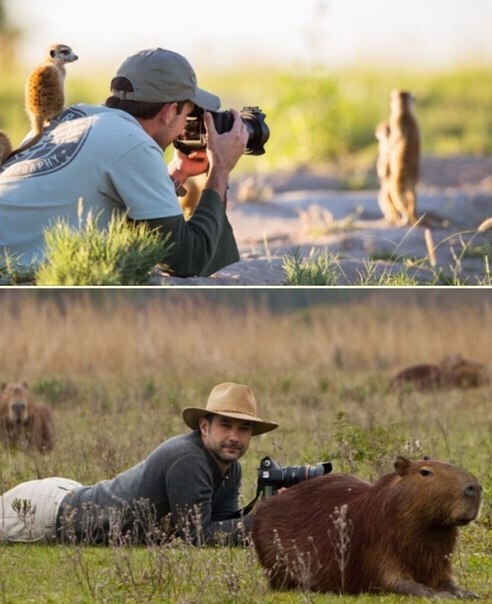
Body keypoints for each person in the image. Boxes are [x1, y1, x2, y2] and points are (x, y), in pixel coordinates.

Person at [0, 48, 248, 277]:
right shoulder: (135, 143)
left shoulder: (73, 117)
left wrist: (177, 173)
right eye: (187, 114)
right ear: (169, 112)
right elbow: (186, 259)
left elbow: (118, 212)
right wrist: (220, 170)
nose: (185, 125)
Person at [0, 383, 278, 546]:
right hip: (44, 514)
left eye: (243, 429)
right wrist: (264, 520)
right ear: (204, 427)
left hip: (72, 494)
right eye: (225, 425)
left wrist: (274, 511)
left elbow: (225, 526)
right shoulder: (189, 460)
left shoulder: (231, 468)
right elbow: (199, 537)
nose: (234, 437)